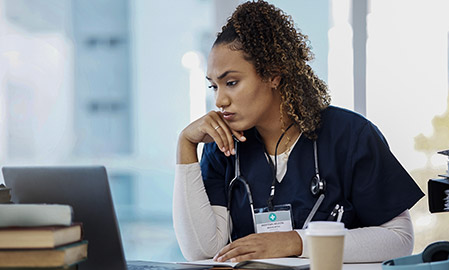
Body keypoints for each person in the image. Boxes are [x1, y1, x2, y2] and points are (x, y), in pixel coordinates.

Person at [173, 0, 424, 263]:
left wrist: (296, 242)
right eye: (214, 86)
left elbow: (399, 239)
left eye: (231, 83)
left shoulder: (351, 136)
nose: (220, 101)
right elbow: (202, 251)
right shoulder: (223, 146)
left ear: (273, 75)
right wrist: (186, 145)